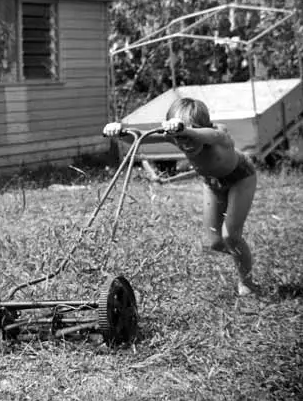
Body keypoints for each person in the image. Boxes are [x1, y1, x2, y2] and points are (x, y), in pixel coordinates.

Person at [103, 97, 258, 296]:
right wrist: (120, 130)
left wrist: (185, 130)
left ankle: (247, 282)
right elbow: (140, 136)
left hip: (240, 177)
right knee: (215, 242)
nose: (185, 143)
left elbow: (207, 134)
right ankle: (243, 256)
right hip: (212, 181)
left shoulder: (219, 134)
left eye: (189, 135)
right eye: (178, 138)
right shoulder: (174, 135)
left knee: (231, 235)